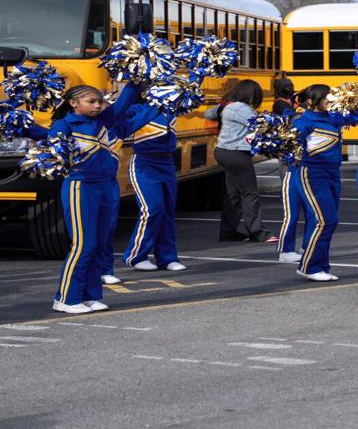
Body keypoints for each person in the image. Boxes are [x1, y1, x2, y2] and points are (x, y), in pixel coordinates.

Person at [17, 79, 141, 313]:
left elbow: (125, 101)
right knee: (83, 244)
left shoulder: (104, 120)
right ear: (74, 103)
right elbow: (37, 133)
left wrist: (136, 78)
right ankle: (65, 298)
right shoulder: (64, 125)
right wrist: (14, 112)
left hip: (105, 186)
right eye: (91, 101)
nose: (97, 105)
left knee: (100, 243)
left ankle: (91, 295)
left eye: (100, 101)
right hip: (80, 187)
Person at [120, 84, 195, 273]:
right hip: (144, 163)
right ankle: (136, 256)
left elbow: (192, 86)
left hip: (167, 163)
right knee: (152, 209)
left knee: (167, 211)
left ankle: (167, 258)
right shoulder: (136, 109)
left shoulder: (172, 109)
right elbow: (117, 111)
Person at [206, 79, 279, 247]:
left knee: (233, 194)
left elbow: (208, 114)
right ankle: (258, 232)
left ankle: (228, 232)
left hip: (224, 151)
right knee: (249, 193)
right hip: (236, 153)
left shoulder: (227, 106)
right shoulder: (240, 108)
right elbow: (262, 125)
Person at [286, 84, 343, 281]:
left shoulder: (334, 118)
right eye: (327, 97)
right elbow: (289, 148)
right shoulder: (304, 122)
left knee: (329, 221)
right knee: (325, 220)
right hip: (311, 174)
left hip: (333, 174)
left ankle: (320, 265)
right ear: (311, 102)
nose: (331, 100)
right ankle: (309, 266)